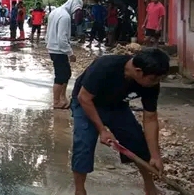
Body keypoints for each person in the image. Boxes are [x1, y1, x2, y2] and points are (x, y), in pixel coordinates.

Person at [70, 48, 170, 195]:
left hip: (117, 105)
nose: (156, 83)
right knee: (83, 144)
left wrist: (155, 155)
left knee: (138, 142)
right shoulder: (105, 66)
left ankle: (149, 187)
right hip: (86, 103)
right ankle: (80, 190)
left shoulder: (151, 84)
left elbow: (150, 118)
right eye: (153, 79)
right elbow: (84, 97)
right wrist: (102, 130)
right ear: (138, 71)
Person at [46, 0, 83, 109]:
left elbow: (48, 32)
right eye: (76, 10)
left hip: (53, 48)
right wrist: (70, 53)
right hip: (59, 50)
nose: (76, 13)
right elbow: (62, 38)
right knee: (60, 76)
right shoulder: (65, 16)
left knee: (67, 73)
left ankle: (62, 97)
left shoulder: (55, 12)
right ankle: (56, 101)